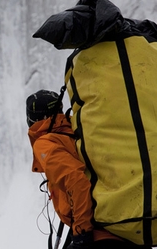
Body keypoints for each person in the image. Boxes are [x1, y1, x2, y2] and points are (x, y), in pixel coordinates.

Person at [26, 89, 149, 249]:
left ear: (32, 120)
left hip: (99, 234)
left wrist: (81, 232)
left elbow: (75, 180)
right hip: (129, 229)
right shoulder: (82, 132)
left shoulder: (46, 143)